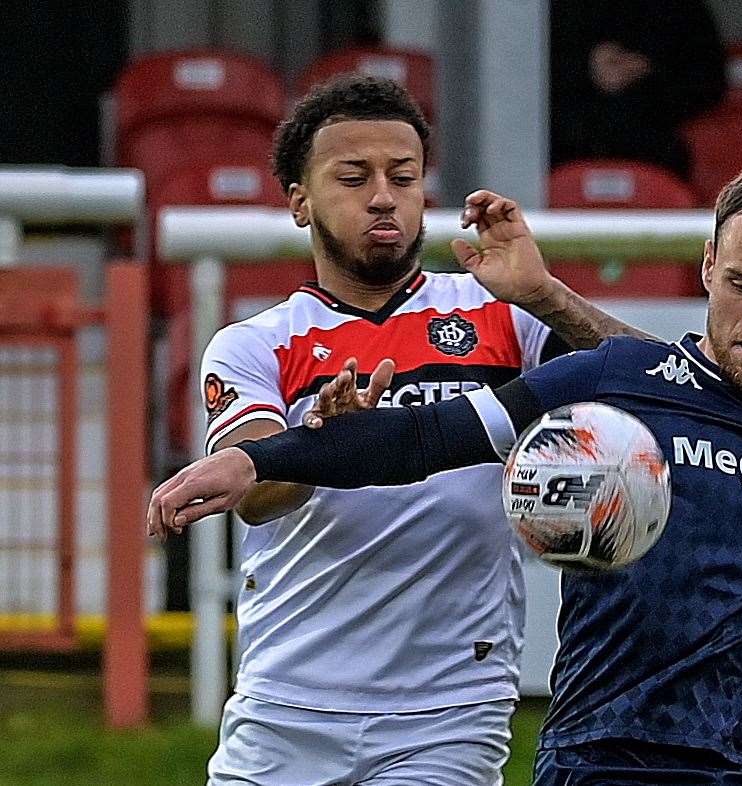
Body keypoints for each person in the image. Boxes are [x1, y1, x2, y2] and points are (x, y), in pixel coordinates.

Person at [151, 166, 742, 785]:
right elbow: (421, 438)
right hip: (604, 761)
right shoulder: (611, 383)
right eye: (739, 283)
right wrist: (256, 458)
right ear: (707, 268)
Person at [189, 75, 646, 785]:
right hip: (288, 702)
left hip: (449, 712)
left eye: (403, 176)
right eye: (354, 176)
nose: (383, 196)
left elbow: (657, 387)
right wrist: (326, 450)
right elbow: (255, 491)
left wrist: (546, 294)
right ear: (299, 201)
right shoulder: (255, 343)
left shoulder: (501, 315)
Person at [550, 0, 726, 178]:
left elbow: (710, 80)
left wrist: (648, 71)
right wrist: (585, 69)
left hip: (654, 151)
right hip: (565, 148)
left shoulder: (681, 9)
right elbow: (529, 76)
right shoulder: (554, 9)